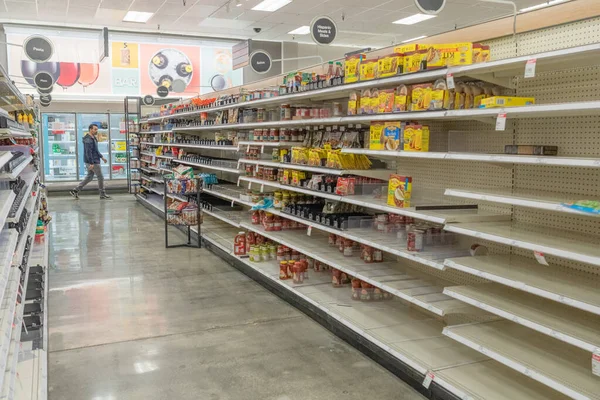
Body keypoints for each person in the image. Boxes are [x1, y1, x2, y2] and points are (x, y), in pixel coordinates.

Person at [70, 124, 111, 200]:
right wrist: (91, 163)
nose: (96, 131)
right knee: (100, 177)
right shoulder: (88, 140)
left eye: (96, 129)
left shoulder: (93, 138)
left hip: (94, 160)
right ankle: (102, 194)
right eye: (95, 129)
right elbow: (88, 152)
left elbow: (95, 150)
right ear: (90, 129)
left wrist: (102, 157)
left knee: (89, 177)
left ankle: (75, 190)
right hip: (93, 161)